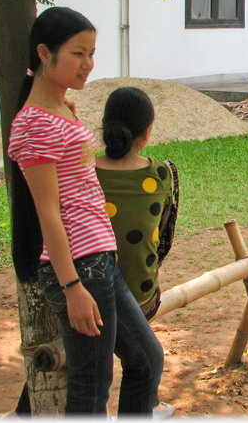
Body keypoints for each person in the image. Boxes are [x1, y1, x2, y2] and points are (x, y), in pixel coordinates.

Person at [7, 6, 164, 417]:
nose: (88, 64)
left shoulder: (61, 111)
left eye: (92, 54)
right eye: (78, 53)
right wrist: (72, 287)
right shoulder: (35, 122)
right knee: (91, 386)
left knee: (146, 360)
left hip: (99, 260)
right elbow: (49, 213)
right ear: (44, 53)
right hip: (79, 267)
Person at [95, 87, 179, 323]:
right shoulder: (163, 173)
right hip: (142, 300)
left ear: (105, 126)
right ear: (147, 132)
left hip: (89, 298)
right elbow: (164, 239)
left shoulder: (82, 173)